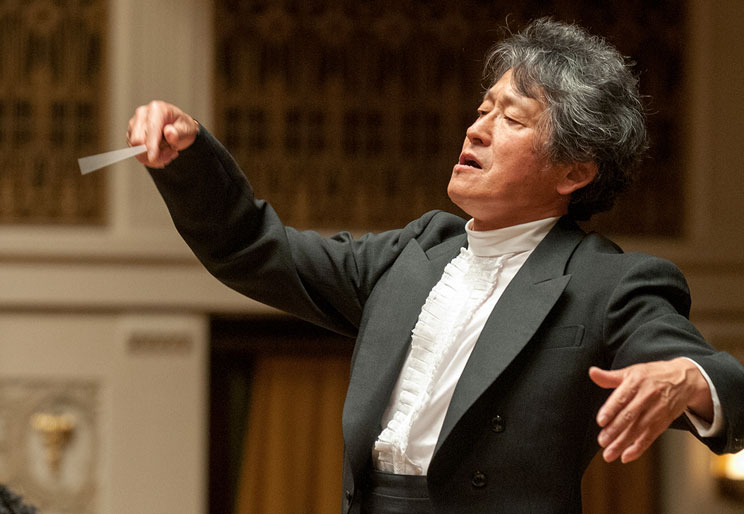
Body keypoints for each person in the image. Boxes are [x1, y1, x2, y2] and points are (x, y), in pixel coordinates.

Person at [127, 18, 744, 514]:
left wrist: (688, 378)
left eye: (511, 118)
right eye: (482, 109)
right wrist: (189, 156)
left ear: (574, 172)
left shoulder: (607, 281)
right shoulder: (413, 253)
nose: (476, 130)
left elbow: (719, 379)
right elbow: (254, 248)